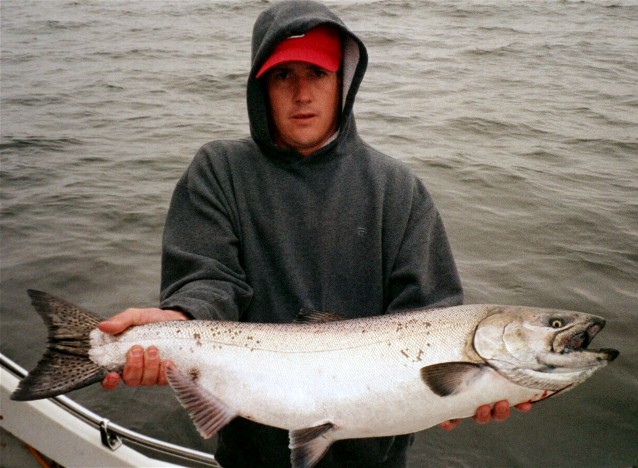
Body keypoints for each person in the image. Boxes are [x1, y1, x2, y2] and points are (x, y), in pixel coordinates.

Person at [99, 1, 530, 466]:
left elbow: (433, 317)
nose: (302, 93)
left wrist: (460, 395)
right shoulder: (219, 172)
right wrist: (182, 320)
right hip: (251, 452)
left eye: (318, 74)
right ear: (260, 86)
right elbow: (208, 281)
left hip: (375, 456)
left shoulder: (398, 190)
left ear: (342, 81)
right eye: (284, 75)